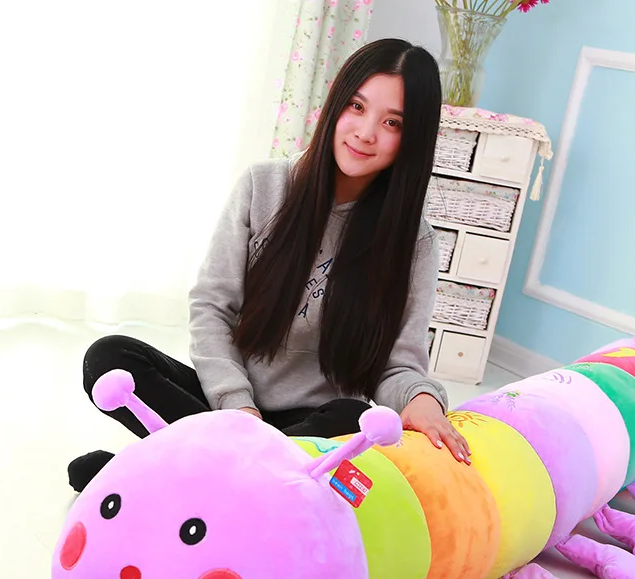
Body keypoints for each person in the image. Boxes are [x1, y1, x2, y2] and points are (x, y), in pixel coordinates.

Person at [67, 37, 471, 493]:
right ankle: (229, 484)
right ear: (336, 103)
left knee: (352, 416)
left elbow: (398, 365)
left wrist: (420, 398)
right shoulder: (263, 187)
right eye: (356, 107)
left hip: (313, 426)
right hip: (226, 405)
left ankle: (150, 479)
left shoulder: (414, 243)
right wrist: (238, 408)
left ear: (412, 138)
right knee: (109, 359)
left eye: (392, 122)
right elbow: (212, 307)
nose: (365, 132)